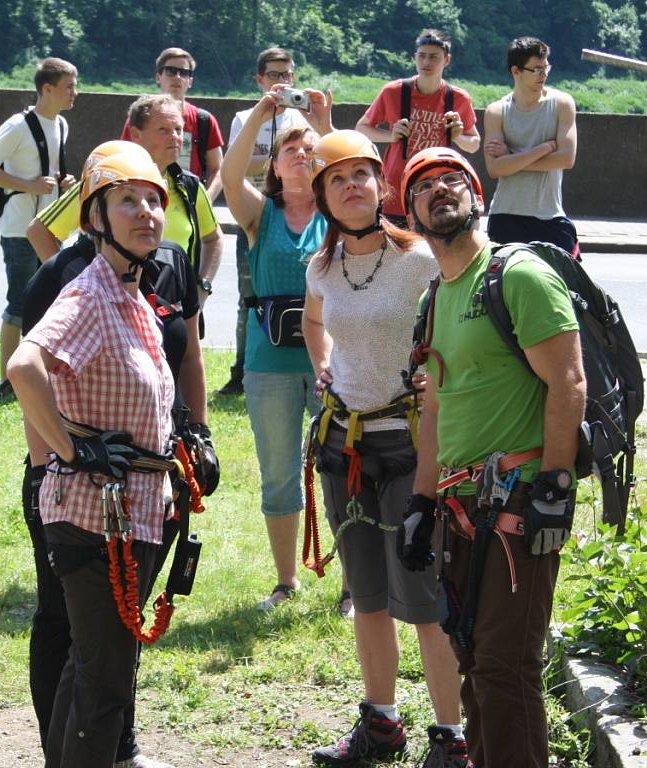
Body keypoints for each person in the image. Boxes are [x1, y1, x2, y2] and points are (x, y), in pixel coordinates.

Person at [20, 140, 214, 768]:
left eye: (154, 201)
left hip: (136, 509)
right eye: (126, 200)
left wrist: (190, 435)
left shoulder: (137, 291)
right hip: (94, 517)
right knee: (105, 690)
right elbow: (24, 366)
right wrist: (71, 448)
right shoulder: (92, 293)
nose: (146, 212)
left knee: (88, 671)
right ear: (93, 218)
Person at [400, 146, 585, 768]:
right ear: (411, 211)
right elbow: (434, 410)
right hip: (460, 510)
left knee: (505, 666)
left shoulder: (517, 275)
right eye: (422, 186)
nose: (439, 189)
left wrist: (552, 493)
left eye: (452, 178)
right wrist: (422, 503)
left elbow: (568, 384)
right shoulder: (434, 298)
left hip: (516, 508)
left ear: (476, 194)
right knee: (474, 658)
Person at [303, 130, 467, 768]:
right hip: (344, 445)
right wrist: (322, 362)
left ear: (382, 188)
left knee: (424, 601)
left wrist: (442, 380)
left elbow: (457, 330)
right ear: (321, 194)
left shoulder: (420, 260)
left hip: (409, 443)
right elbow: (316, 321)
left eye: (362, 176)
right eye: (337, 178)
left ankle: (452, 738)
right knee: (367, 596)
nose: (351, 186)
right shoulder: (321, 267)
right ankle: (381, 722)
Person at [220, 86, 330, 610]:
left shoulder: (340, 213)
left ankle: (355, 587)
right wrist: (263, 113)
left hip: (333, 361)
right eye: (292, 150)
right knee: (280, 475)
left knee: (342, 468)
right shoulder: (259, 215)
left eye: (311, 152)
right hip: (270, 364)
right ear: (277, 163)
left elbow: (361, 173)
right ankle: (286, 582)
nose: (303, 157)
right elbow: (228, 174)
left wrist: (325, 125)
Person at [27, 95, 223, 318]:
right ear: (136, 134)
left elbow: (214, 237)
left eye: (179, 130)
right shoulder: (106, 181)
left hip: (171, 314)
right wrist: (78, 286)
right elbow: (39, 231)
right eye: (164, 130)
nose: (176, 137)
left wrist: (201, 288)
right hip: (111, 315)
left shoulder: (188, 185)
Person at [0, 56, 78, 400]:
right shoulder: (18, 125)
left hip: (50, 229)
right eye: (69, 86)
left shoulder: (61, 126)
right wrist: (27, 184)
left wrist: (62, 184)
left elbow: (48, 171)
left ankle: (36, 374)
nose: (74, 92)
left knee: (50, 303)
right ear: (47, 89)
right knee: (19, 304)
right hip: (20, 228)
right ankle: (7, 382)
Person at [216, 47, 307, 397]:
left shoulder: (300, 120)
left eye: (287, 75)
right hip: (256, 212)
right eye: (274, 75)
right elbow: (240, 169)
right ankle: (241, 369)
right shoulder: (245, 117)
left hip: (295, 211)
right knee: (249, 298)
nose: (281, 82)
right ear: (259, 79)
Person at [356, 29, 478, 226]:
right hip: (395, 194)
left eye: (433, 57)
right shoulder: (393, 91)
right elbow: (362, 128)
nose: (426, 63)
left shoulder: (458, 98)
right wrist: (391, 136)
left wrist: (457, 136)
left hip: (436, 194)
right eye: (421, 56)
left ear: (446, 60)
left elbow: (474, 144)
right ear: (414, 57)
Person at [484, 37, 579, 256]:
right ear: (515, 71)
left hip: (550, 215)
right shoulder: (496, 112)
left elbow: (566, 159)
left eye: (546, 67)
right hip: (506, 214)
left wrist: (512, 158)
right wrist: (543, 149)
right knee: (504, 287)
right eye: (536, 69)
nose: (543, 74)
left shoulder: (562, 104)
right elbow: (495, 169)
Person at [121, 47, 224, 201]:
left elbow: (219, 169)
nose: (177, 77)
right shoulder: (139, 118)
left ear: (190, 81)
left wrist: (205, 201)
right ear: (158, 77)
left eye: (184, 72)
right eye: (170, 71)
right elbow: (123, 160)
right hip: (148, 197)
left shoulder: (204, 120)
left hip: (190, 198)